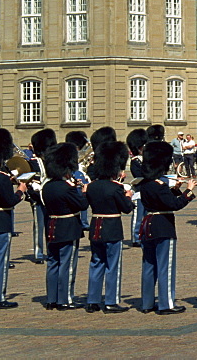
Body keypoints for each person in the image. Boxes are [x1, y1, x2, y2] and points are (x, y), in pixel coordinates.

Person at [138, 140, 196, 314]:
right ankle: (166, 303)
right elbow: (174, 205)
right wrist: (188, 191)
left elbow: (163, 200)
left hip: (148, 224)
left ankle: (147, 303)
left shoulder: (146, 183)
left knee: (149, 265)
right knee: (165, 266)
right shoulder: (159, 185)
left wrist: (176, 189)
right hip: (163, 225)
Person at [85, 140, 134, 313]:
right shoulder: (116, 188)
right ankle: (111, 301)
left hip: (95, 226)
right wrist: (128, 196)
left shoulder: (91, 186)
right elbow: (127, 208)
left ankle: (92, 300)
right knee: (113, 265)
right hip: (112, 227)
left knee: (96, 263)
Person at [41, 142, 89, 310]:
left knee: (53, 262)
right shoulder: (66, 188)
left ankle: (51, 299)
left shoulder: (47, 186)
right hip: (68, 226)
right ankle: (65, 299)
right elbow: (82, 205)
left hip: (52, 226)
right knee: (67, 265)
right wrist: (83, 191)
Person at [0, 128, 28, 309]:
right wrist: (20, 191)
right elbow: (9, 201)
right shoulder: (2, 179)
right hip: (0, 223)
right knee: (0, 262)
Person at [28, 128, 57, 264]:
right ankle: (38, 252)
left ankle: (51, 250)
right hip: (38, 198)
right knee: (39, 226)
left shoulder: (52, 161)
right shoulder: (34, 162)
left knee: (51, 225)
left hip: (51, 197)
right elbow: (30, 180)